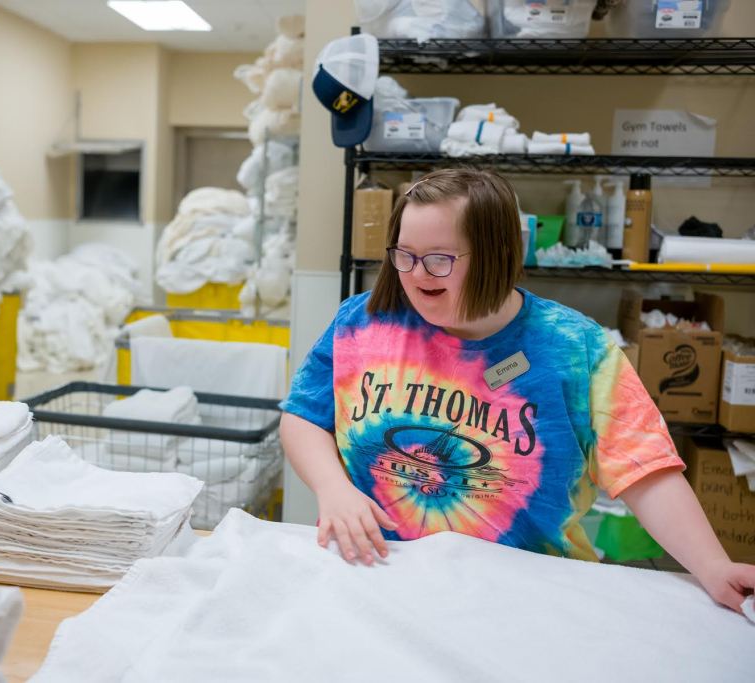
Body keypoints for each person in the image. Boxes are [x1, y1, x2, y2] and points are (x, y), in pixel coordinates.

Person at [280, 167, 755, 614]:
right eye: (404, 255)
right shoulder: (362, 322)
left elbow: (644, 469)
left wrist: (712, 567)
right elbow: (304, 415)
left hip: (528, 599)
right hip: (382, 578)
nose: (417, 274)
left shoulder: (574, 348)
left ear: (493, 255)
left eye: (440, 259)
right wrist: (332, 488)